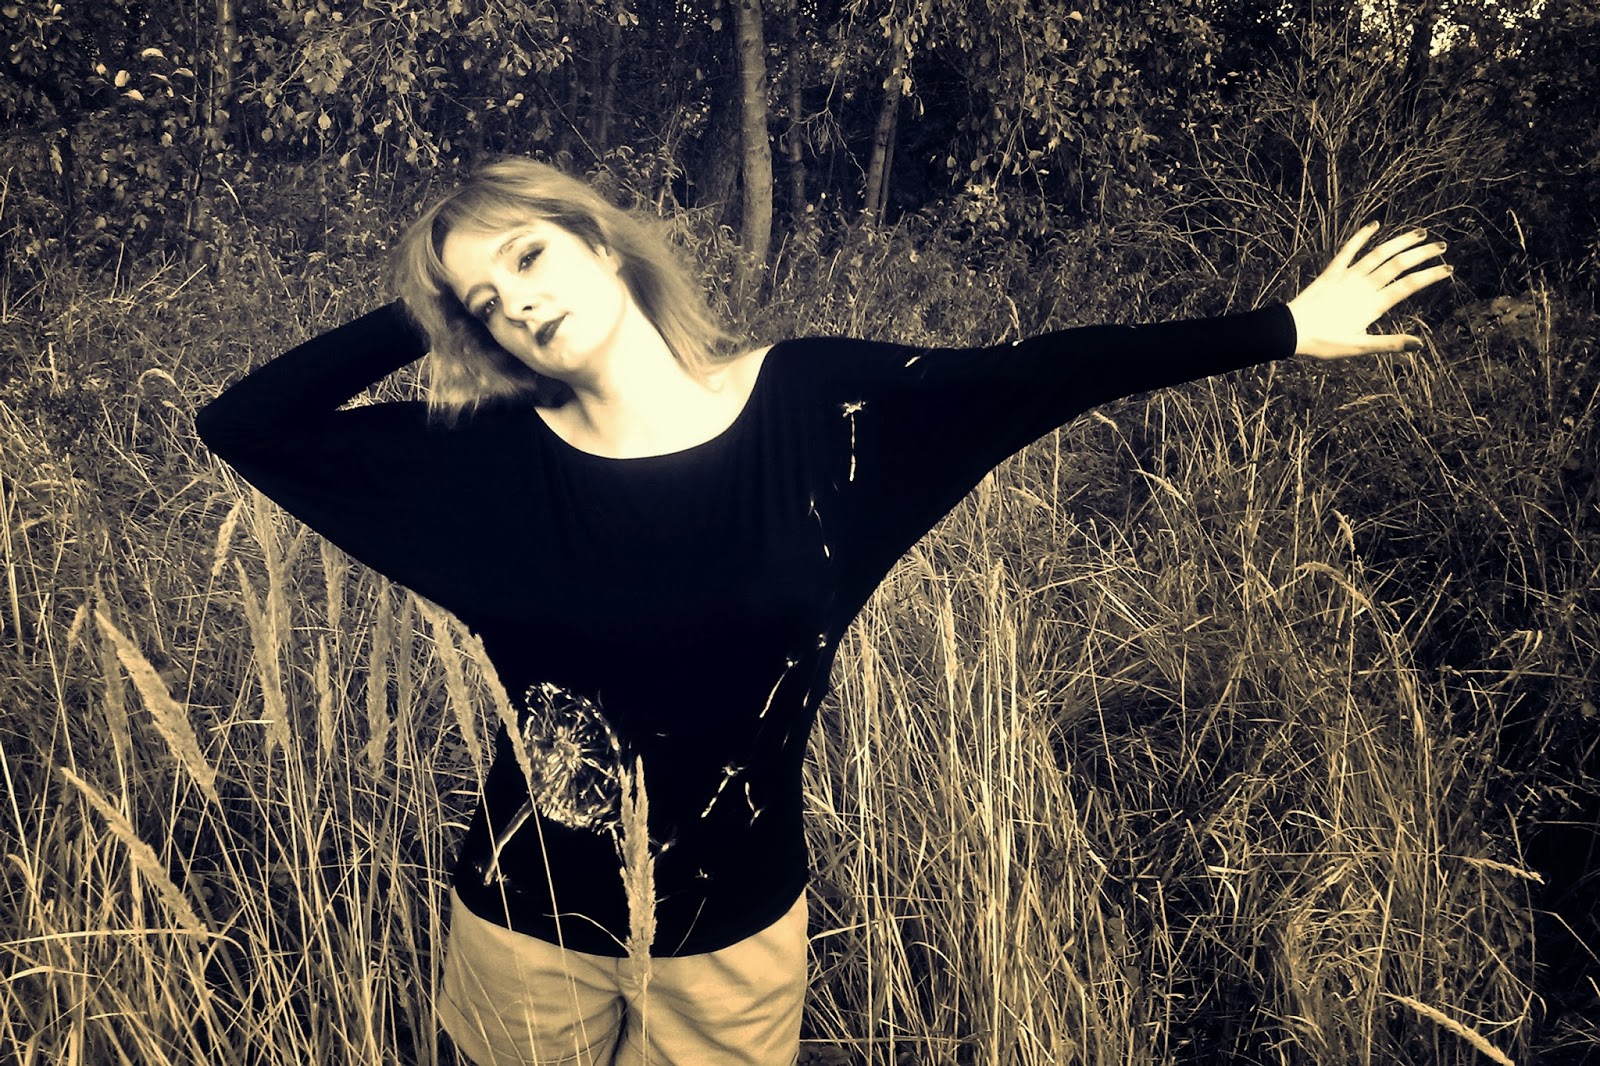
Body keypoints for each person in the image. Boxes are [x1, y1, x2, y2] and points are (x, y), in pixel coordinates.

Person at [193, 157, 1451, 1066]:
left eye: (528, 255)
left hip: (734, 939)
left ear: (602, 241)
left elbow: (1045, 372)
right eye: (483, 303)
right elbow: (244, 423)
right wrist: (429, 298)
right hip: (526, 928)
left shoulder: (815, 409)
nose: (514, 301)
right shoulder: (484, 464)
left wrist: (1282, 327)